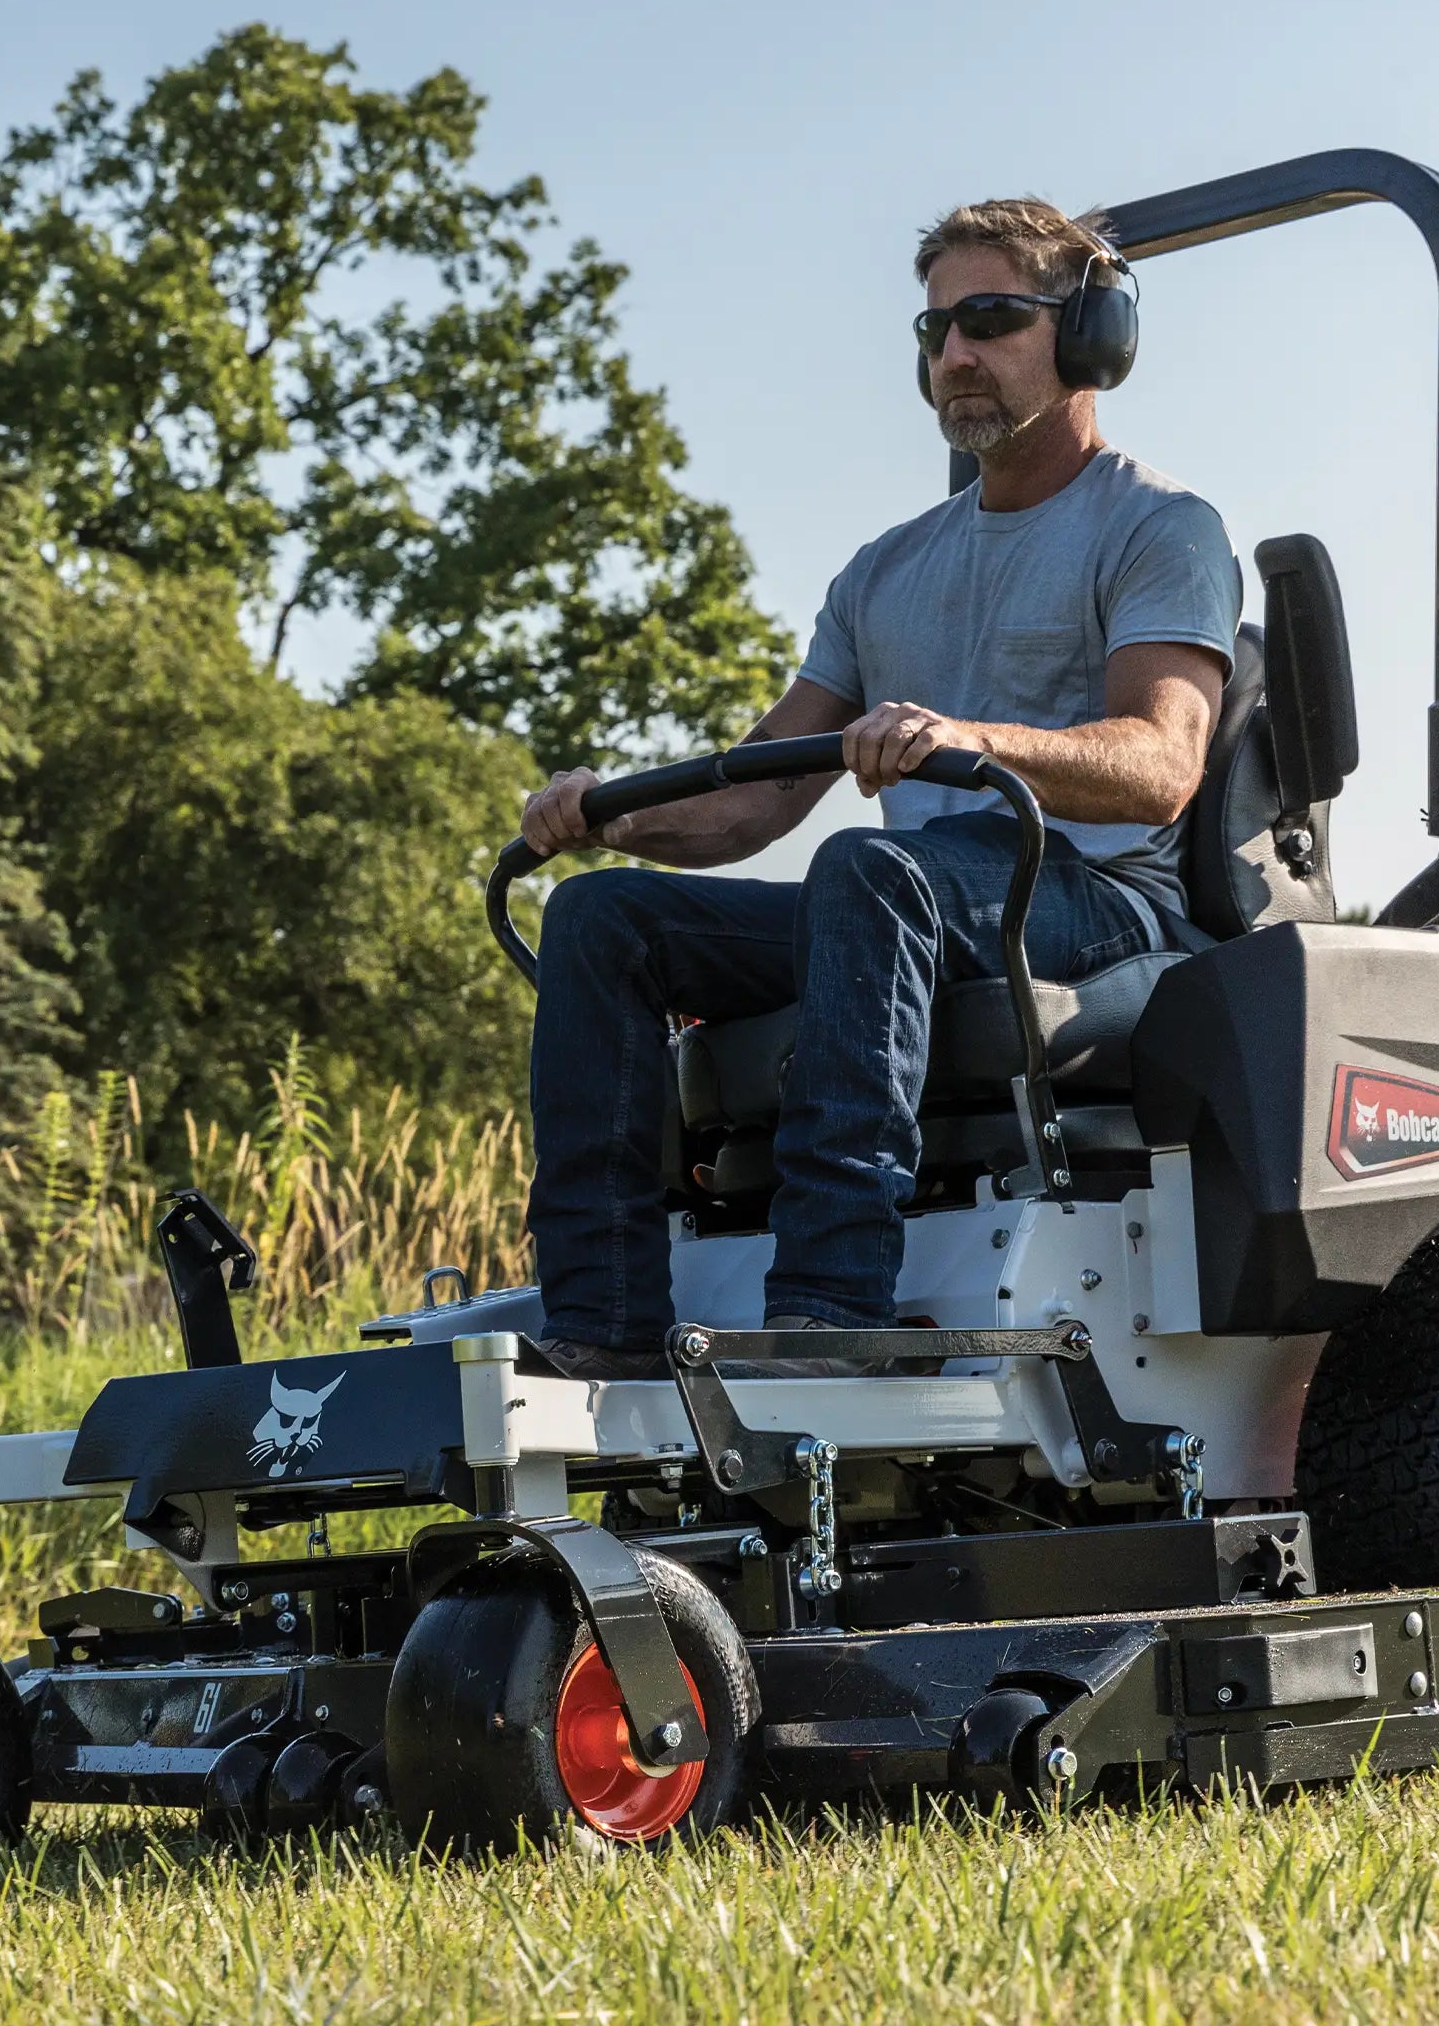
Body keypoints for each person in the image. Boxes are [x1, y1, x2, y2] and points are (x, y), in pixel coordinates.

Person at [518, 198, 1242, 1379]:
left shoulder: (1160, 525)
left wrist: (969, 738)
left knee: (872, 869)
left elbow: (1162, 766)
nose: (956, 354)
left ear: (1091, 338)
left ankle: (829, 1312)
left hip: (1100, 900)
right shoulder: (884, 571)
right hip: (905, 902)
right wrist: (608, 815)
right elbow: (754, 801)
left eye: (994, 319)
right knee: (605, 920)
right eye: (938, 328)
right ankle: (600, 1325)